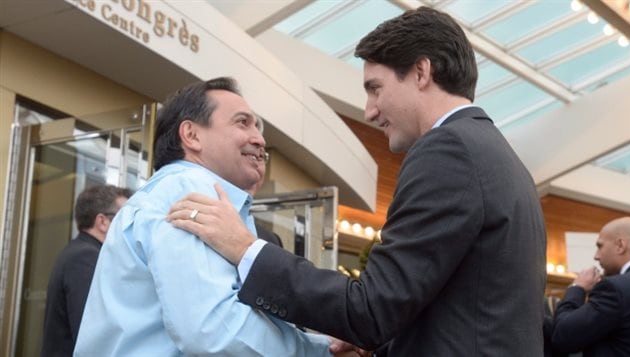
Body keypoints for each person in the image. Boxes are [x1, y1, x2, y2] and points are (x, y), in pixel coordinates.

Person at [168, 6, 546, 356]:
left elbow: (372, 309)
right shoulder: (499, 156)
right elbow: (463, 308)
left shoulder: (448, 150)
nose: (369, 111)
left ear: (420, 72)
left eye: (374, 88)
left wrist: (245, 248)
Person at [74, 78, 342, 356]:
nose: (260, 139)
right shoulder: (189, 188)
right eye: (242, 122)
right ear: (191, 135)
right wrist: (320, 352)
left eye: (258, 127)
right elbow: (214, 330)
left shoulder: (177, 191)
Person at [41, 184, 131, 357]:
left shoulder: (80, 251)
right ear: (103, 222)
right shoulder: (85, 257)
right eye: (124, 219)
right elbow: (93, 333)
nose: (130, 227)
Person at [551, 217, 630, 356]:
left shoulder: (615, 288)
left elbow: (563, 336)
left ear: (620, 245)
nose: (596, 256)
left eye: (600, 246)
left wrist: (577, 288)